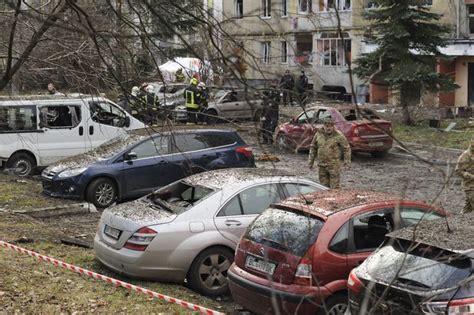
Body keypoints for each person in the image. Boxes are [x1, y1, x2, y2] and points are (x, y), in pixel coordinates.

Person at [308, 118, 351, 189]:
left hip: (333, 166)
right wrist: (310, 162)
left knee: (335, 188)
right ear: (323, 126)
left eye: (330, 126)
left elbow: (346, 149)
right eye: (326, 126)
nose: (328, 128)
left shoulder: (338, 135)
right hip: (322, 165)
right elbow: (313, 147)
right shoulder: (318, 134)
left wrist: (347, 162)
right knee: (323, 187)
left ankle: (336, 200)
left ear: (333, 126)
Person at [455, 138, 474, 213]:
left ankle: (457, 222)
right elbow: (458, 170)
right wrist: (471, 176)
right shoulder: (465, 155)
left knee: (467, 210)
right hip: (470, 186)